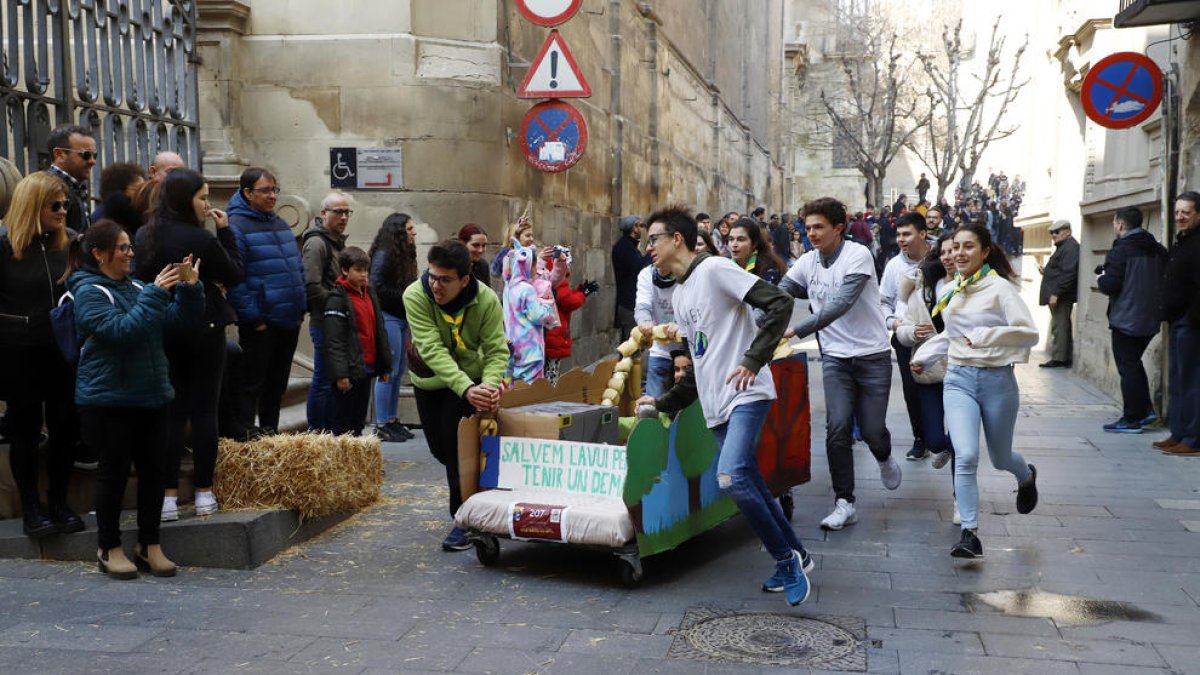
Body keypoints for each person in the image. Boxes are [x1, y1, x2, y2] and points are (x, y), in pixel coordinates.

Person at [635, 206, 811, 606]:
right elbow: (698, 366)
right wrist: (662, 402)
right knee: (751, 483)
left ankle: (786, 561)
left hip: (747, 394)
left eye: (653, 240)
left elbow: (779, 303)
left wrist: (753, 360)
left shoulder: (714, 269)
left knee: (731, 478)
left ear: (675, 239)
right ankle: (799, 553)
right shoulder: (679, 295)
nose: (648, 248)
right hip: (716, 405)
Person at [67, 219, 204, 579]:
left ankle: (149, 544)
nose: (131, 253)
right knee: (112, 475)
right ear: (99, 254)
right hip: (107, 400)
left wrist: (190, 289)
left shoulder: (138, 286)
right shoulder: (89, 292)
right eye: (123, 247)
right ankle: (108, 546)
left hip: (151, 396)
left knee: (154, 473)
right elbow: (122, 332)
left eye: (131, 247)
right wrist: (156, 295)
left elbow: (176, 325)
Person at [911, 223, 1040, 558]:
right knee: (965, 455)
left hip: (997, 381)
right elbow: (952, 336)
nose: (959, 253)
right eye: (956, 247)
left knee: (1000, 458)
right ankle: (970, 533)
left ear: (984, 252)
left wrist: (988, 335)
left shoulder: (1001, 290)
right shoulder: (949, 291)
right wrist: (924, 357)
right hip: (959, 380)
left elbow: (1028, 333)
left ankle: (1025, 476)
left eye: (969, 247)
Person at [780, 197, 900, 531]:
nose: (812, 234)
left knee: (874, 430)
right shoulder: (807, 261)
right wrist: (755, 308)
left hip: (872, 355)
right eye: (807, 228)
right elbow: (782, 291)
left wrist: (795, 330)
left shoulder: (857, 255)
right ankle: (845, 502)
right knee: (837, 428)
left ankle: (885, 457)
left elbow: (839, 305)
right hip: (835, 357)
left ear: (839, 228)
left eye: (819, 227)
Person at [134, 168, 242, 521]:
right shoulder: (201, 240)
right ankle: (203, 492)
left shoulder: (144, 235)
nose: (207, 204)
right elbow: (234, 273)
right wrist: (225, 232)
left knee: (171, 412)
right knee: (204, 411)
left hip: (161, 328)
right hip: (203, 327)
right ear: (185, 199)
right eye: (202, 197)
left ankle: (166, 498)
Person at [403, 240, 507, 551]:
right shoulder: (415, 295)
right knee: (440, 449)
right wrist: (466, 387)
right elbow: (431, 349)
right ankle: (470, 507)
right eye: (432, 276)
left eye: (445, 279)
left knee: (456, 448)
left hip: (471, 383)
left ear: (464, 279)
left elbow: (496, 350)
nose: (436, 285)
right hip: (432, 381)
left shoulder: (486, 300)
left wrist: (487, 387)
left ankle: (463, 520)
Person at [0, 172, 83, 538]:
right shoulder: (4, 247)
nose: (63, 211)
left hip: (63, 351)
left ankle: (60, 502)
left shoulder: (71, 245)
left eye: (66, 204)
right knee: (25, 430)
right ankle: (32, 506)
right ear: (33, 205)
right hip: (19, 351)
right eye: (55, 205)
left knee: (66, 427)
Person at [226, 168, 306, 437]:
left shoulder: (280, 223)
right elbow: (235, 278)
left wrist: (300, 308)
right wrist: (254, 319)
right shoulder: (236, 226)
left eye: (274, 189)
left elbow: (296, 267)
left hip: (288, 319)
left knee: (277, 385)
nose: (272, 196)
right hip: (262, 323)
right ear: (248, 193)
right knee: (253, 383)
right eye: (265, 190)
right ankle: (248, 435)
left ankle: (271, 434)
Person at [895, 232, 958, 518]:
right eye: (944, 251)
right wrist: (911, 332)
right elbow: (904, 328)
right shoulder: (922, 289)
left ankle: (962, 499)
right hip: (929, 370)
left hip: (962, 371)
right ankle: (942, 447)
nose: (949, 256)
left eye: (955, 250)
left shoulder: (977, 287)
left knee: (961, 442)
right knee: (935, 440)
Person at [1097, 207, 1166, 434]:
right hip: (1150, 317)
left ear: (1120, 225)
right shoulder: (1158, 249)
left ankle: (1132, 418)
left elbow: (1111, 285)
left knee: (1128, 367)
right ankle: (1145, 410)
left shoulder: (1121, 250)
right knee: (1134, 365)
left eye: (1114, 223)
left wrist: (1101, 277)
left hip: (1127, 318)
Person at [880, 212, 932, 460]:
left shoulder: (939, 260)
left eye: (907, 234)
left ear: (922, 234)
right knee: (912, 389)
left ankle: (942, 436)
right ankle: (920, 439)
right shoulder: (893, 266)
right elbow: (884, 302)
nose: (901, 239)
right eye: (898, 234)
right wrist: (892, 321)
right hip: (905, 338)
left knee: (942, 386)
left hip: (936, 337)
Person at [323, 247, 392, 437]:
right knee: (343, 422)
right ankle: (342, 461)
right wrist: (341, 374)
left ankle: (356, 461)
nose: (363, 275)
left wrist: (384, 366)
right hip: (349, 370)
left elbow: (379, 331)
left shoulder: (369, 294)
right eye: (358, 270)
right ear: (345, 270)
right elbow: (334, 340)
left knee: (358, 419)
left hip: (366, 367)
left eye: (365, 270)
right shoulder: (337, 298)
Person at [301, 191, 351, 432]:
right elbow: (312, 285)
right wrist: (336, 306)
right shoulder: (317, 243)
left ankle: (330, 430)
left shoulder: (336, 242)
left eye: (346, 212)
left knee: (332, 380)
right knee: (322, 380)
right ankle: (317, 432)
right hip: (324, 321)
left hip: (338, 322)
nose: (343, 217)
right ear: (323, 214)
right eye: (338, 212)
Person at [370, 213, 418, 442]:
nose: (414, 233)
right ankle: (381, 423)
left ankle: (391, 419)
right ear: (398, 231)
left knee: (398, 370)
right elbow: (377, 287)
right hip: (388, 316)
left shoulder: (406, 255)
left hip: (401, 316)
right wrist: (407, 297)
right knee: (387, 371)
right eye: (409, 229)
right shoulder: (384, 255)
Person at [1159, 192, 1200, 456]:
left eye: (1186, 212)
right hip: (1177, 320)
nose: (1180, 217)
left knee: (1192, 380)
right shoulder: (1182, 241)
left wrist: (1191, 318)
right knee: (1176, 379)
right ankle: (1178, 432)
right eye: (1177, 212)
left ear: (1198, 214)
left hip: (1191, 322)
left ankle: (1194, 438)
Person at [543, 253, 598, 384]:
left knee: (549, 368)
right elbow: (569, 302)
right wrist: (583, 293)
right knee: (551, 372)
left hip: (551, 332)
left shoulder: (551, 278)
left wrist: (580, 290)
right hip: (555, 332)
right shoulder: (559, 281)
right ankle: (548, 396)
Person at [634, 257, 682, 398]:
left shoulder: (687, 274)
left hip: (686, 352)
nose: (651, 248)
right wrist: (644, 321)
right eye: (650, 242)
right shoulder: (646, 274)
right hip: (659, 351)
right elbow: (642, 305)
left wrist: (681, 326)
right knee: (651, 406)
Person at [1037, 220, 1079, 368]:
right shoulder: (1064, 246)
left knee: (1059, 326)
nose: (1054, 235)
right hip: (1058, 294)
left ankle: (1060, 358)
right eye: (1052, 233)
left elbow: (1069, 273)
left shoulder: (1070, 247)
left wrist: (1056, 293)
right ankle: (1062, 357)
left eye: (1057, 231)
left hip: (1061, 296)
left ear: (1068, 231)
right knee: (1060, 325)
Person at [45, 125, 96, 234]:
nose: (92, 161)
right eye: (86, 155)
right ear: (59, 154)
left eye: (94, 155)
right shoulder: (50, 188)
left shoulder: (75, 186)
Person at [612, 214, 650, 339]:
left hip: (630, 303)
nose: (642, 229)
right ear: (634, 228)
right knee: (631, 346)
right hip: (629, 305)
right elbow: (639, 269)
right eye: (640, 226)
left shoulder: (630, 247)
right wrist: (651, 253)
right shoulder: (624, 247)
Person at [727, 217, 787, 286]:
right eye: (731, 239)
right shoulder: (725, 264)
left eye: (741, 239)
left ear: (754, 243)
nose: (734, 245)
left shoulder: (770, 267)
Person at [89, 162, 147, 233]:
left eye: (143, 189)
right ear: (120, 189)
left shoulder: (131, 214)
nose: (142, 193)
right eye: (137, 189)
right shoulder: (104, 220)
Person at [457, 224, 490, 288]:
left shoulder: (483, 265)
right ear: (462, 243)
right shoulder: (450, 265)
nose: (480, 250)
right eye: (476, 245)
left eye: (484, 245)